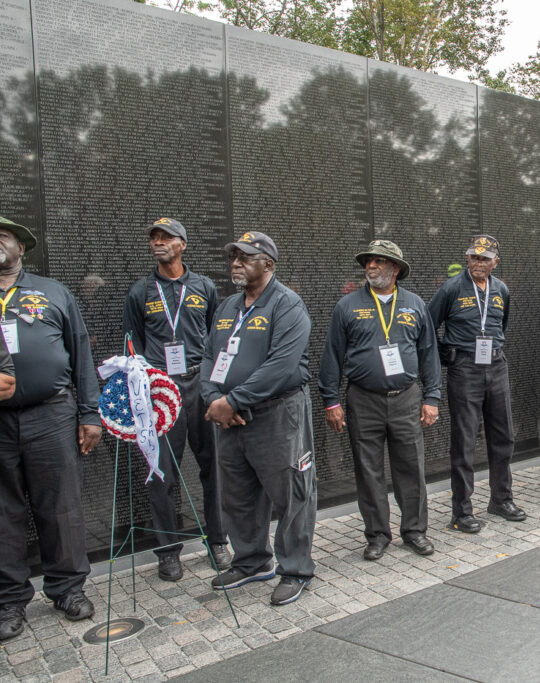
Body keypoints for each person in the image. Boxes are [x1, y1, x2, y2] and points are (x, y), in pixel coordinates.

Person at [201, 231, 316, 606]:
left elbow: (281, 365)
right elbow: (208, 356)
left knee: (291, 495)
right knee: (238, 494)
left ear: (268, 264)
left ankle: (295, 569)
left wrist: (233, 400)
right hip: (231, 419)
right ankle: (252, 561)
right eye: (233, 257)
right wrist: (214, 398)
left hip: (276, 414)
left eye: (245, 257)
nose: (235, 263)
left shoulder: (287, 305)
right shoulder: (227, 307)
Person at [0, 216, 100, 640]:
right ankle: (8, 600)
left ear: (21, 247)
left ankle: (67, 589)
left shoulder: (52, 292)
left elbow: (81, 352)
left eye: (3, 236)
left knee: (60, 506)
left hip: (51, 415)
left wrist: (90, 414)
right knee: (2, 512)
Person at [319, 240, 441, 561]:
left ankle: (414, 531)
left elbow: (429, 353)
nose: (371, 266)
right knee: (368, 470)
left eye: (379, 261)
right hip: (363, 400)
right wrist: (331, 401)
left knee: (411, 467)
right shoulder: (347, 306)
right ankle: (377, 534)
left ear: (395, 269)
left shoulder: (414, 304)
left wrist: (432, 397)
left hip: (406, 398)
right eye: (368, 262)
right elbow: (332, 356)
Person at [123, 218, 230, 581]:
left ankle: (218, 541)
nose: (158, 242)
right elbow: (133, 343)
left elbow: (216, 336)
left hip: (200, 382)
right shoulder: (140, 291)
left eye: (166, 237)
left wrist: (216, 384)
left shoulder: (204, 287)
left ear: (182, 244)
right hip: (161, 387)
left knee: (213, 467)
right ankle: (168, 551)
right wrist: (145, 386)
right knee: (162, 472)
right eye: (154, 237)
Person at [428, 235, 525, 534]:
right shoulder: (451, 288)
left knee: (503, 435)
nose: (479, 263)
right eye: (474, 257)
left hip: (496, 365)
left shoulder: (501, 290)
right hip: (465, 368)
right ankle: (461, 511)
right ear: (467, 258)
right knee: (465, 441)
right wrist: (448, 355)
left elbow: (501, 325)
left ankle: (501, 499)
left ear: (496, 262)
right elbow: (429, 326)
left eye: (485, 258)